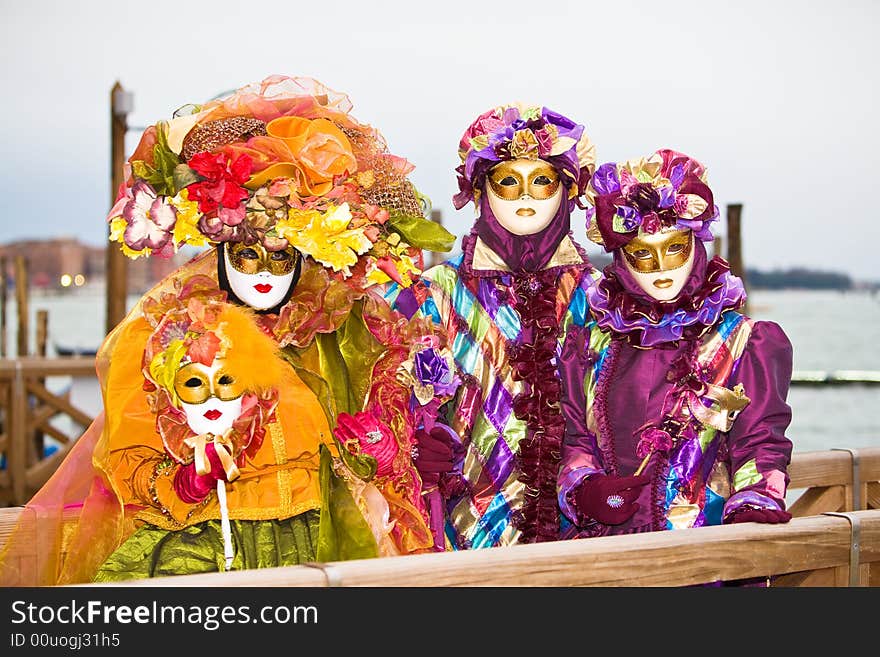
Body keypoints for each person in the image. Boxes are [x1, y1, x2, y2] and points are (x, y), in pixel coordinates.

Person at [0, 75, 453, 584]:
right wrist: (187, 481)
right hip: (202, 549)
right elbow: (129, 460)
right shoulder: (169, 331)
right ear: (219, 245)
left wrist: (386, 454)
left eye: (281, 257)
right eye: (246, 254)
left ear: (304, 253)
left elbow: (382, 437)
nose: (262, 273)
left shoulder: (341, 327)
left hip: (323, 549)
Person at [556, 149, 794, 538]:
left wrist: (756, 499)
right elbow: (575, 439)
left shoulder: (743, 342)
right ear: (621, 260)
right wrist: (586, 490)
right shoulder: (590, 344)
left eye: (674, 248)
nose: (662, 269)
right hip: (603, 558)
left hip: (705, 553)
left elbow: (760, 441)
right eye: (642, 255)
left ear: (696, 244)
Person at [392, 103, 598, 548]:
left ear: (567, 190)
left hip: (584, 533)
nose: (525, 196)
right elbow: (384, 398)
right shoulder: (433, 295)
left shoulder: (600, 299)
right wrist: (413, 446)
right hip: (462, 532)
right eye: (508, 180)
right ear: (482, 189)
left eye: (542, 181)